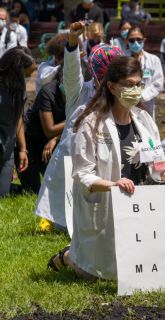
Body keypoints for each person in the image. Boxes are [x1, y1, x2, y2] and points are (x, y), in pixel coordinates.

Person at [47, 56, 165, 280]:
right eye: (129, 85)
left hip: (138, 206)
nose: (135, 90)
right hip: (104, 207)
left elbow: (158, 165)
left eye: (139, 84)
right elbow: (82, 174)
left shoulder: (145, 121)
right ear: (111, 87)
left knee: (138, 272)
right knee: (98, 275)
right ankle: (70, 257)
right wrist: (113, 184)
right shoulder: (91, 124)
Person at [35, 21, 122, 231]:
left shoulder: (120, 96)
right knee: (63, 214)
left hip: (104, 158)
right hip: (71, 156)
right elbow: (72, 70)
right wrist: (73, 41)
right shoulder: (80, 92)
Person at [21, 67, 65, 194]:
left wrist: (55, 139)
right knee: (32, 190)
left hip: (53, 141)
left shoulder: (81, 92)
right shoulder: (47, 92)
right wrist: (74, 118)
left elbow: (80, 127)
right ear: (59, 80)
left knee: (57, 186)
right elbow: (50, 130)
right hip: (31, 140)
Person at [0, 47, 35, 197]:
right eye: (26, 73)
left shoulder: (18, 88)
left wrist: (22, 149)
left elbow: (18, 118)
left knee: (3, 195)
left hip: (6, 150)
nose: (29, 77)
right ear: (16, 69)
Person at [127, 26, 163, 119]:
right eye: (132, 40)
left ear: (144, 40)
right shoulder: (122, 59)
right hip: (126, 103)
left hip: (147, 103)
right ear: (126, 41)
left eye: (139, 39)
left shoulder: (154, 60)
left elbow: (158, 84)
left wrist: (141, 96)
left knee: (148, 129)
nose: (135, 43)